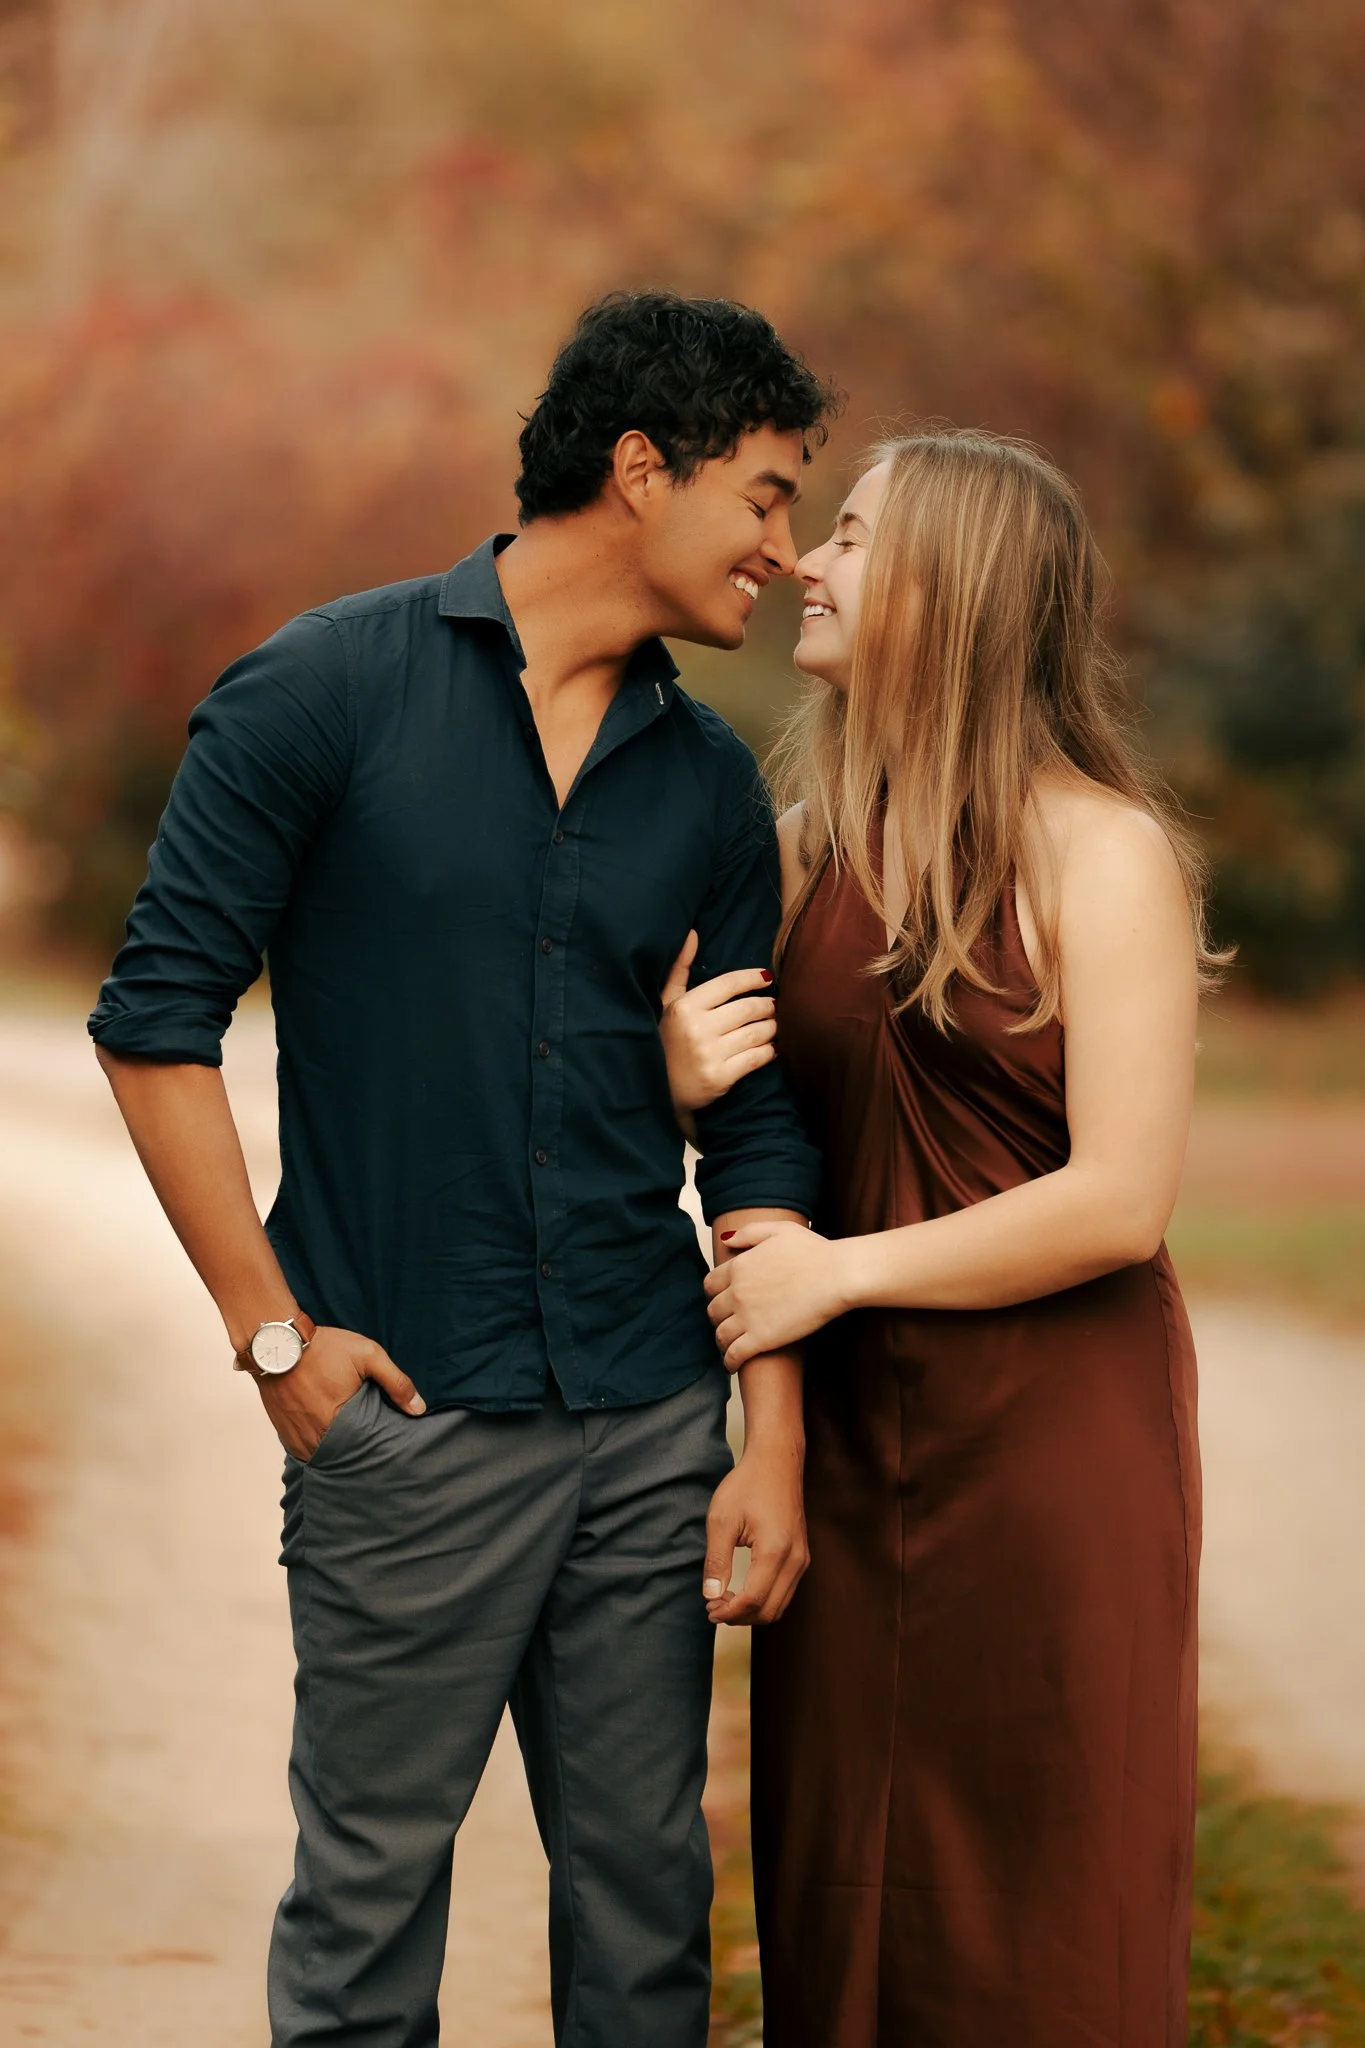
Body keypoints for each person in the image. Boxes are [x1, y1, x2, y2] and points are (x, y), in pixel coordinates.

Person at [88, 290, 837, 2048]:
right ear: (641, 472)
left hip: (654, 1422)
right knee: (366, 1930)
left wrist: (774, 1440)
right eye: (767, 496)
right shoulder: (320, 693)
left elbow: (753, 1129)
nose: (788, 554)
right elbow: (152, 1025)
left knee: (650, 1915)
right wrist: (278, 1344)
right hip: (406, 1418)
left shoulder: (711, 788)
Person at [660, 428, 1225, 2046]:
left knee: (1047, 1891)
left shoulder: (1100, 853)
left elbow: (1122, 1198)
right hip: (844, 1450)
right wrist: (673, 1068)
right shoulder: (803, 854)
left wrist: (839, 1275)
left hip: (1052, 1452)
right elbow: (726, 1114)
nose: (806, 566)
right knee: (846, 1879)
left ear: (958, 588)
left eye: (850, 537)